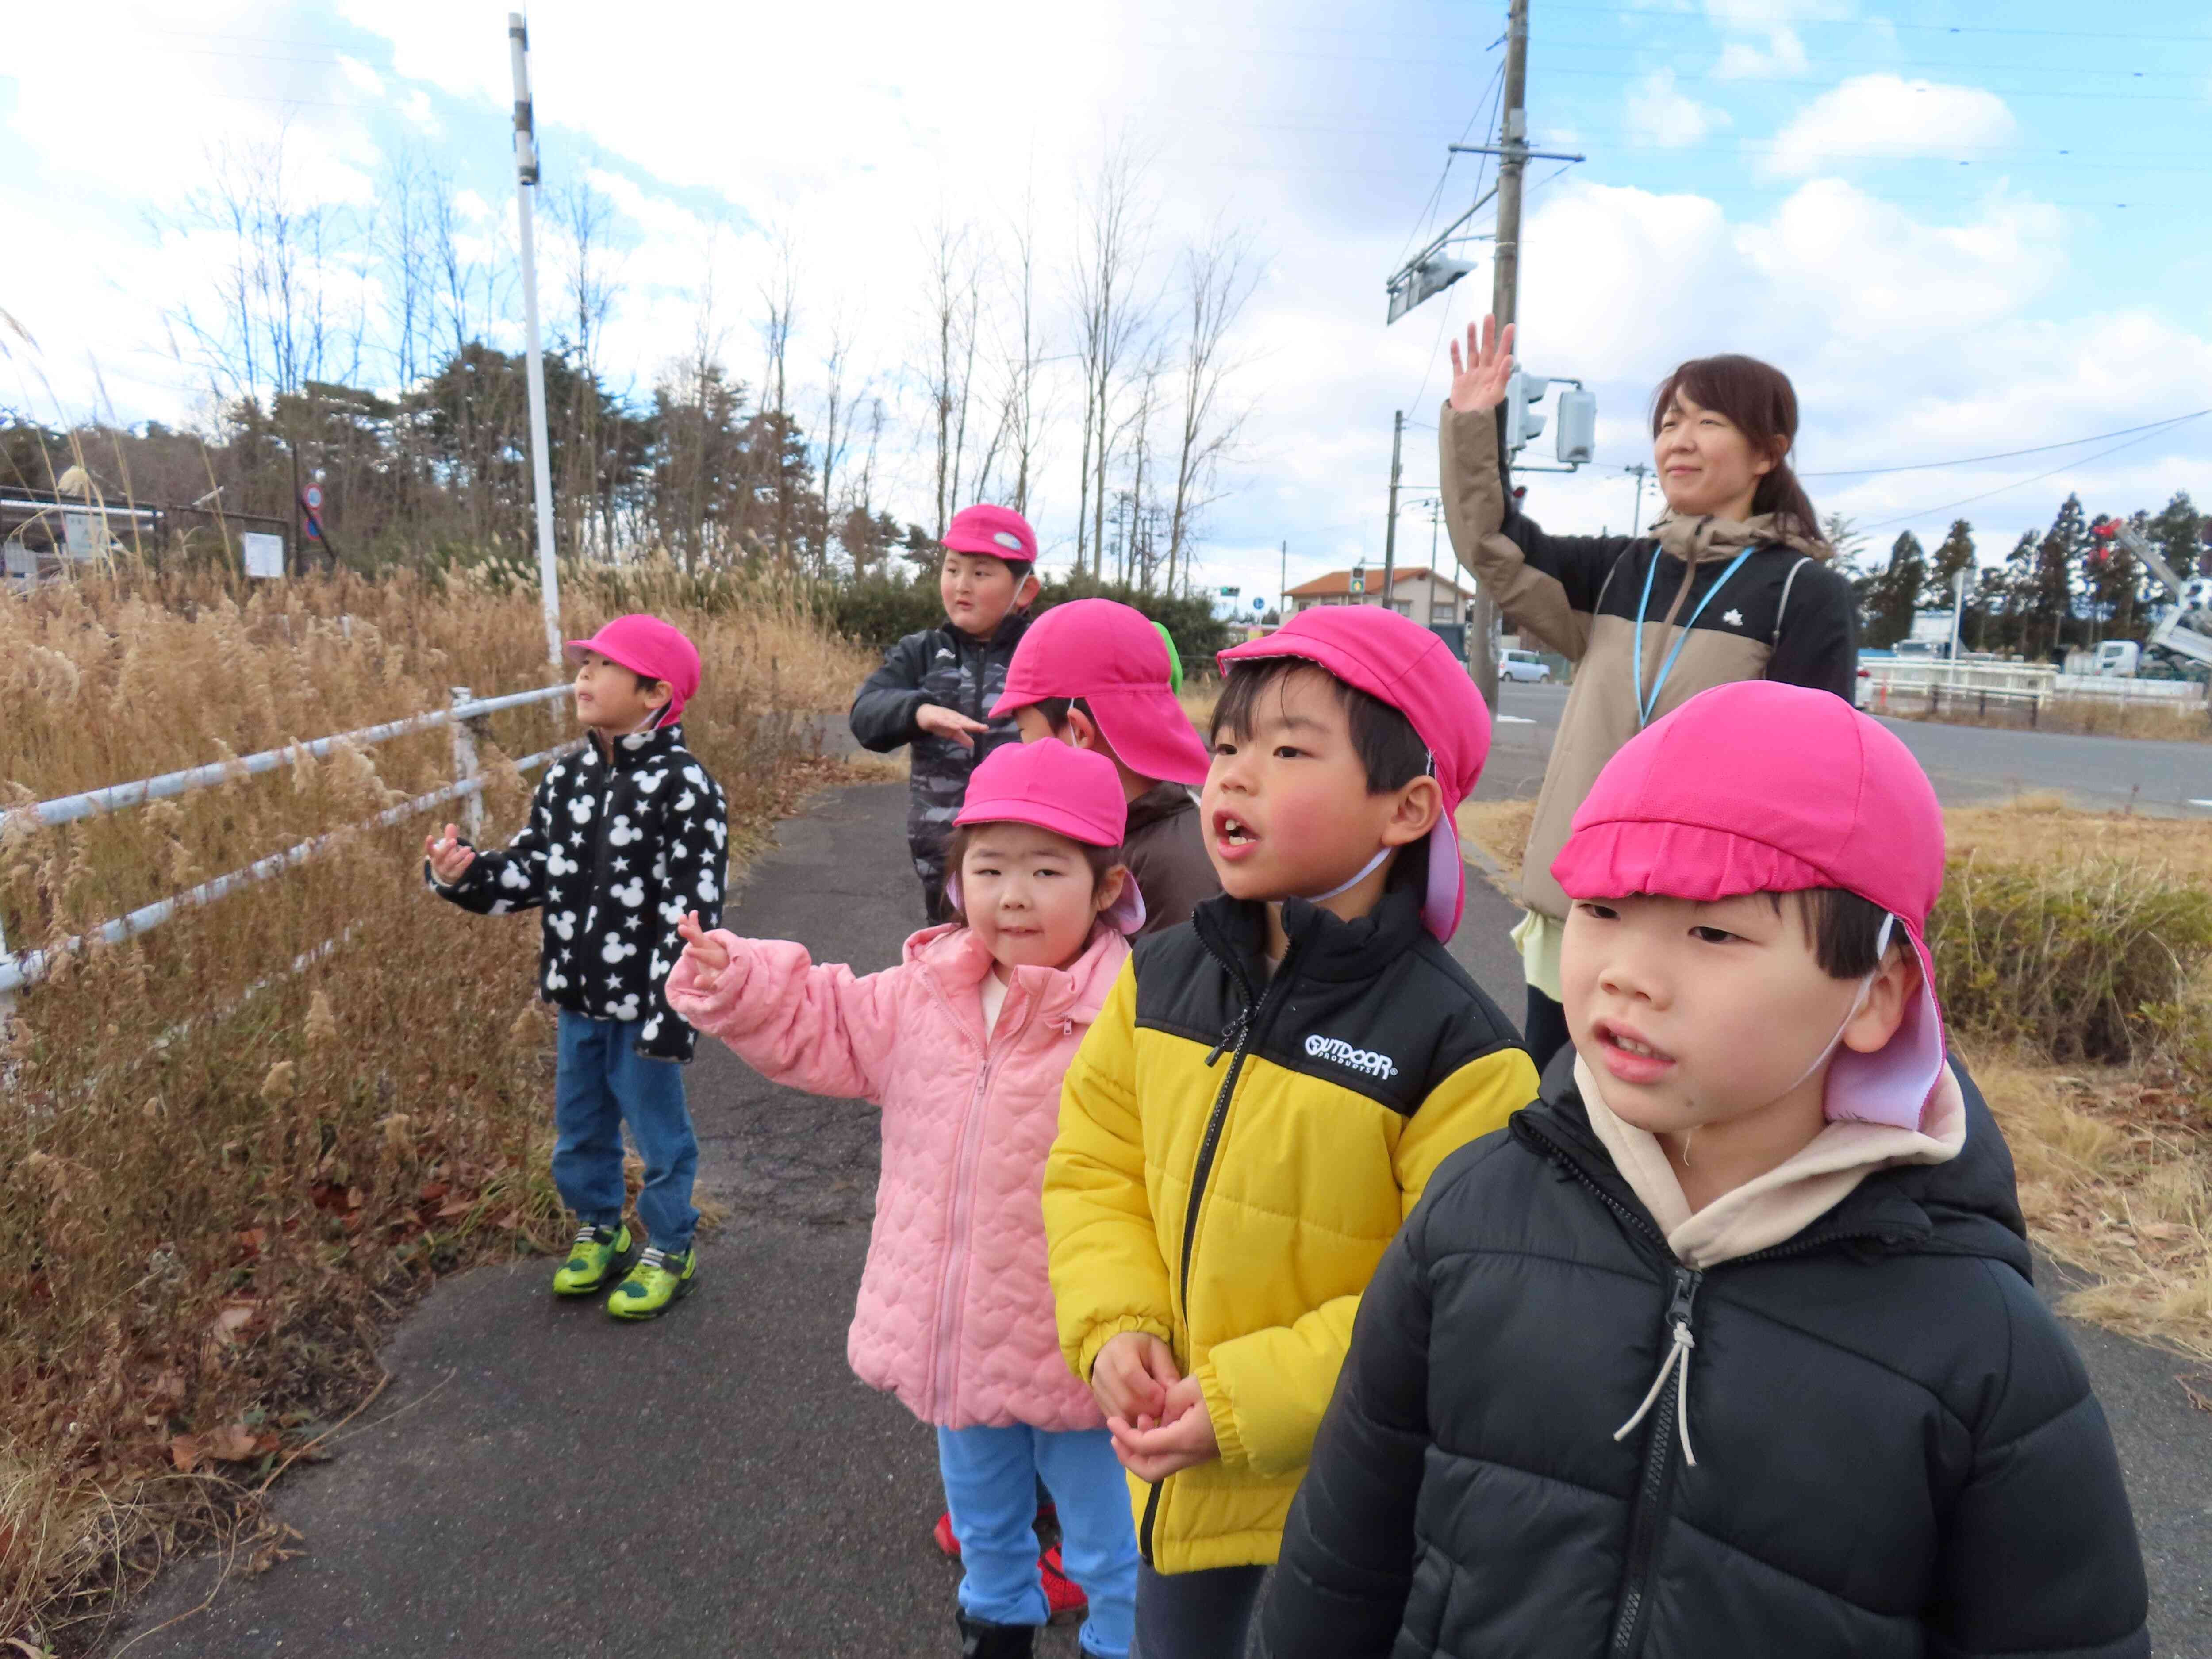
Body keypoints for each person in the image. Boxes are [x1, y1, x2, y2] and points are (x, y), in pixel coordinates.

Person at [1260, 681, 2149, 1659]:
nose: (1626, 974)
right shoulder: (1471, 1220)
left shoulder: (1980, 1347)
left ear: (1876, 992)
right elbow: (1338, 1567)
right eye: (1601, 907)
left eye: (1713, 931)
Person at [1045, 606, 1539, 1659]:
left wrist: (1241, 1399)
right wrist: (1115, 1319)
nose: (1234, 773)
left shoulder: (1461, 1052)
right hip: (1181, 1487)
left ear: (1405, 807)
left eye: (1287, 750)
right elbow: (1094, 1163)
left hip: (1346, 1511)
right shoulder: (1164, 972)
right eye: (1226, 746)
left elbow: (1453, 1300)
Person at [667, 741, 1145, 1659]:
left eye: (1047, 871)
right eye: (989, 868)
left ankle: (1121, 1645)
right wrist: (740, 979)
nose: (1012, 895)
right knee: (985, 1522)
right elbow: (825, 1019)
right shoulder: (926, 995)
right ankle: (996, 1631)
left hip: (1087, 1346)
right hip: (957, 1336)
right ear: (958, 879)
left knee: (1107, 1542)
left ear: (1106, 886)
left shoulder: (1138, 1016)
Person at [1440, 315, 1858, 1074]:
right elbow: (1494, 548)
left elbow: (1815, 786)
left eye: (1709, 421)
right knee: (1549, 1117)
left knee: (1656, 1136)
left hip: (1696, 935)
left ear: (1769, 451)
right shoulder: (1623, 569)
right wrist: (1474, 427)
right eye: (1669, 423)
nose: (1681, 441)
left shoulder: (1803, 592)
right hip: (1580, 913)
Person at [424, 615, 727, 1319]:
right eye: (584, 664)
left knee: (658, 1133)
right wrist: (465, 874)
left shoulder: (686, 789)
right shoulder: (567, 779)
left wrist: (675, 1007)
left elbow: (695, 912)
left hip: (647, 1001)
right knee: (580, 1125)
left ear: (654, 693)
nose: (583, 678)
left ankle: (672, 1243)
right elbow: (532, 871)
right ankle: (601, 1226)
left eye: (602, 667)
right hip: (577, 997)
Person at [849, 503, 1042, 923]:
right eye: (952, 569)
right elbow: (865, 715)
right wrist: (918, 711)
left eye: (981, 573)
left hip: (1026, 868)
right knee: (947, 978)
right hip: (940, 865)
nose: (961, 586)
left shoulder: (1044, 653)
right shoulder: (920, 652)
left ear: (1024, 590)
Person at [996, 597, 1220, 934]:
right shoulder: (1127, 834)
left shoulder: (1171, 868)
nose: (1021, 752)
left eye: (1023, 732)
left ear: (1078, 732)